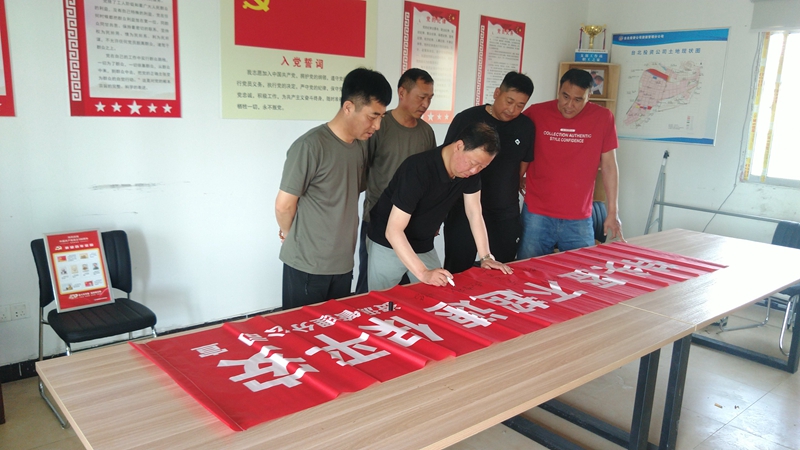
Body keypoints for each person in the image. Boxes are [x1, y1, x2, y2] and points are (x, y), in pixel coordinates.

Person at [275, 68, 392, 310]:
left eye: (381, 117)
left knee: (335, 328)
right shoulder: (310, 146)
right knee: (303, 329)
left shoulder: (359, 147)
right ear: (348, 107)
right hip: (307, 265)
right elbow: (284, 205)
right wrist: (290, 235)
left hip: (342, 265)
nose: (378, 125)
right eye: (373, 116)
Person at [366, 122, 512, 291]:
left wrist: (485, 256)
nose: (474, 171)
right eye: (472, 163)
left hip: (423, 243)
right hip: (388, 243)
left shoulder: (469, 174)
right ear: (459, 146)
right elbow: (393, 230)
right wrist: (423, 273)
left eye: (481, 167)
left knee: (437, 293)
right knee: (383, 300)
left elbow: (474, 212)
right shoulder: (418, 169)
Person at [517, 68, 624, 259]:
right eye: (565, 96)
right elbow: (515, 148)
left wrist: (613, 212)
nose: (569, 105)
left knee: (581, 271)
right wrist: (517, 177)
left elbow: (609, 166)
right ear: (558, 91)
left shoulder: (603, 118)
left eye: (578, 100)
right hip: (537, 214)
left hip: (579, 217)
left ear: (589, 97)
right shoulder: (536, 113)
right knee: (527, 270)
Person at [442, 71, 534, 274]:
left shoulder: (525, 127)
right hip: (463, 210)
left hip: (503, 213)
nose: (512, 110)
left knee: (502, 270)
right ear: (497, 93)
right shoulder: (467, 119)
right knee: (458, 271)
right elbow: (447, 161)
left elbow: (523, 164)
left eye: (520, 105)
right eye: (509, 101)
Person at [355, 68, 436, 294]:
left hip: (414, 224)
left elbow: (431, 180)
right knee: (371, 289)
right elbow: (361, 171)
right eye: (421, 97)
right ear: (402, 93)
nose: (426, 104)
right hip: (378, 222)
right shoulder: (379, 127)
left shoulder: (426, 132)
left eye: (430, 98)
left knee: (416, 290)